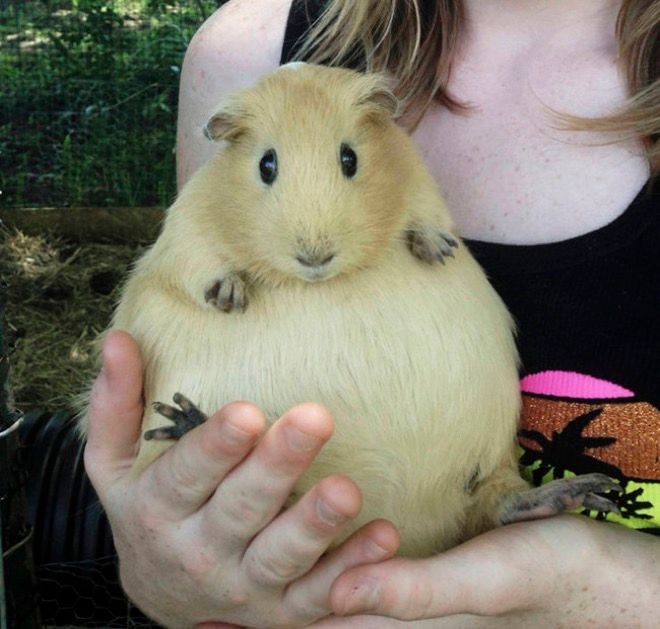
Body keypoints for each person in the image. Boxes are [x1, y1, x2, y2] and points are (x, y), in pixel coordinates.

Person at [84, 0, 660, 626]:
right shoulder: (245, 57)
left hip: (461, 504)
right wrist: (168, 567)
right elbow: (191, 310)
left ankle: (494, 493)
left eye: (348, 164)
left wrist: (591, 583)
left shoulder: (389, 155)